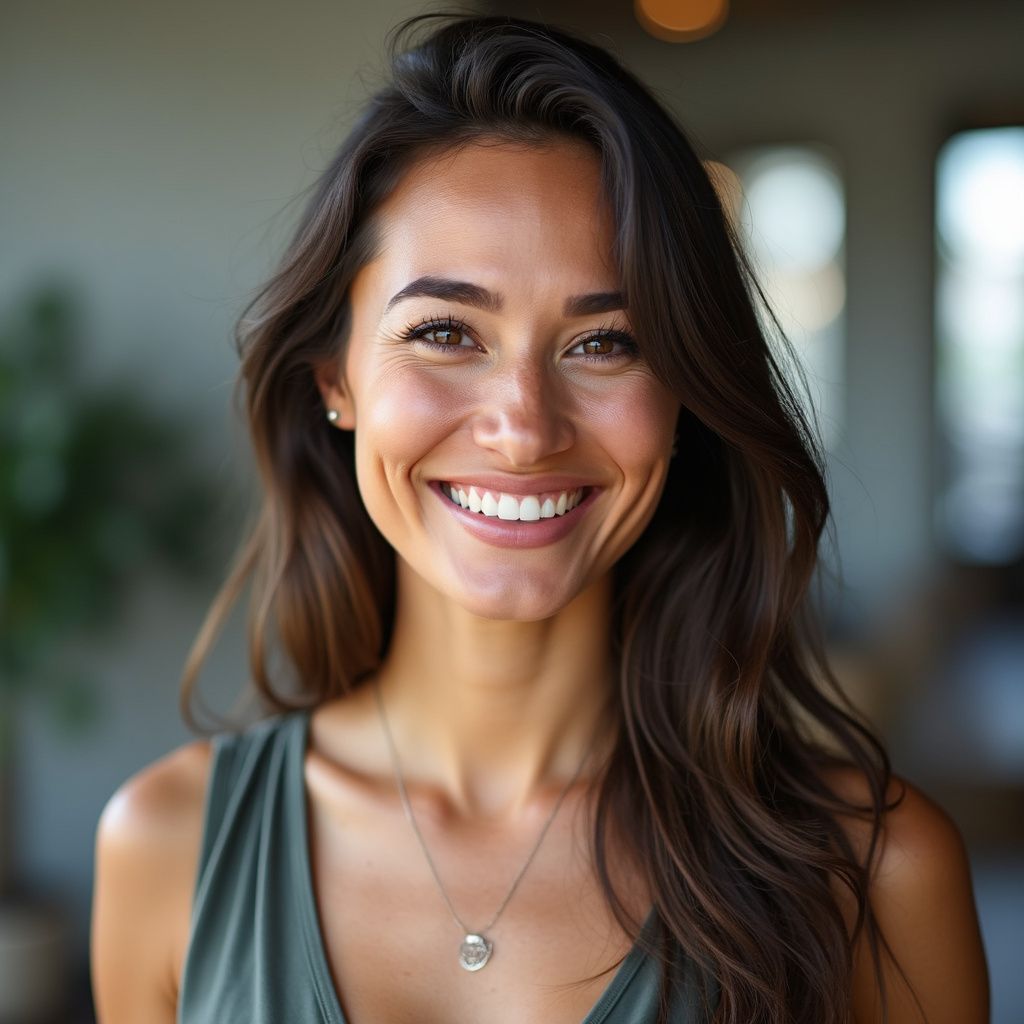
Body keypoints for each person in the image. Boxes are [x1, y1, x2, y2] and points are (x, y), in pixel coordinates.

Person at [90, 12, 989, 1024]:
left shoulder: (873, 875)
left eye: (604, 342)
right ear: (336, 379)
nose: (523, 429)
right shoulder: (167, 847)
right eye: (443, 332)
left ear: (683, 394)